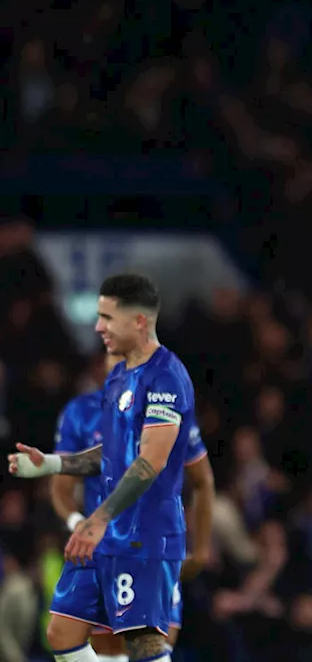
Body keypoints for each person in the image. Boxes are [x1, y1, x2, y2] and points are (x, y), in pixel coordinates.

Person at [9, 273, 197, 662]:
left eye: (108, 318)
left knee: (142, 642)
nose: (98, 328)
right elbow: (111, 453)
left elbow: (151, 460)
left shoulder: (167, 377)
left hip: (146, 534)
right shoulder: (117, 378)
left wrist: (96, 520)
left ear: (139, 321)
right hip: (108, 533)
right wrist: (53, 464)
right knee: (61, 632)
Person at [45, 351, 215, 661]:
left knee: (152, 642)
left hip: (152, 545)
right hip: (103, 549)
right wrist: (76, 523)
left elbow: (202, 480)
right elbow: (62, 486)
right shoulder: (81, 412)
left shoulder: (168, 408)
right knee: (96, 644)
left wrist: (201, 550)